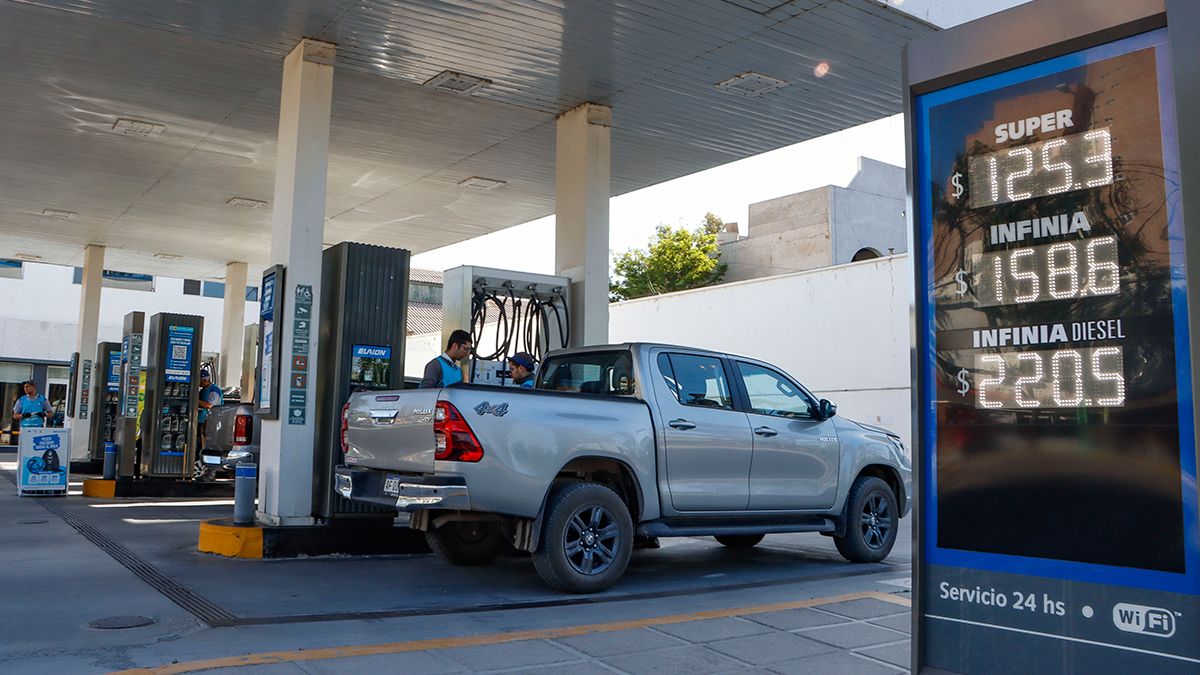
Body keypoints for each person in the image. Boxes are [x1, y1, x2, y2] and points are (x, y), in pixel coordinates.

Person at [197, 365, 224, 448]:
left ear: (205, 380)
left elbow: (210, 405)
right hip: (202, 420)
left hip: (212, 421)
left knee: (208, 442)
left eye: (199, 381)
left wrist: (196, 400)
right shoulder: (203, 390)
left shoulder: (214, 389)